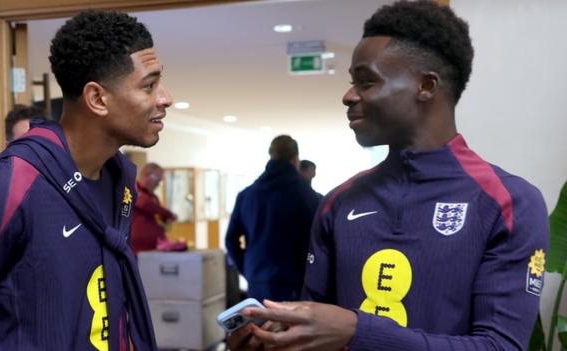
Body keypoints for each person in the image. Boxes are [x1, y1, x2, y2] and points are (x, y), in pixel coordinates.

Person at [228, 1, 549, 350]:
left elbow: (500, 346)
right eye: (353, 82)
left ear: (426, 86)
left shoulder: (508, 201)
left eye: (366, 82)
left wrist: (357, 331)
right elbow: (315, 335)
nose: (348, 96)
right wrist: (269, 343)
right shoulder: (338, 202)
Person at [0, 10, 172, 351]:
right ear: (97, 99)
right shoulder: (9, 184)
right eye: (149, 85)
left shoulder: (121, 177)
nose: (164, 98)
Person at [225, 135, 320, 302]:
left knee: (260, 326)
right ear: (296, 159)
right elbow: (319, 242)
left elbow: (231, 240)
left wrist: (249, 270)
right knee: (292, 328)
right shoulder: (309, 197)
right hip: (296, 282)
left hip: (258, 281)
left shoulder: (247, 195)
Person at [131, 162, 178, 255]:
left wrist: (166, 220)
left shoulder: (153, 197)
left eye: (160, 181)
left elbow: (157, 214)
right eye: (157, 179)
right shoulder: (133, 189)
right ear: (146, 175)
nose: (158, 184)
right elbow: (145, 204)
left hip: (154, 248)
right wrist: (168, 214)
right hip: (137, 250)